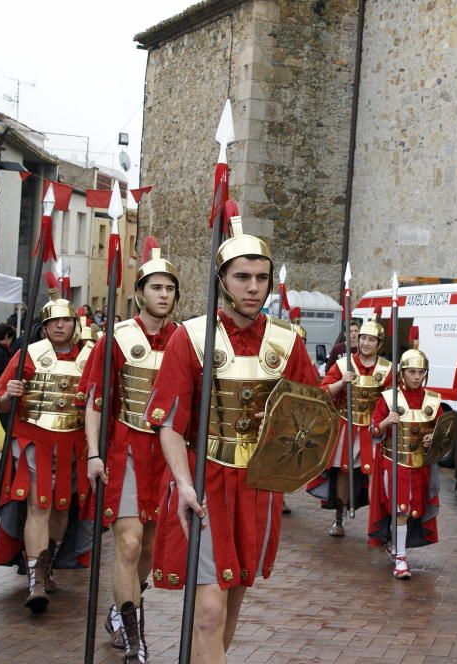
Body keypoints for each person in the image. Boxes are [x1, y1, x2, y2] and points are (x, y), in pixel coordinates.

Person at [146, 219, 319, 663]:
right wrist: (184, 484)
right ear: (222, 280)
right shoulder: (191, 337)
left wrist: (285, 423)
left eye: (261, 277)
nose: (253, 287)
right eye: (242, 276)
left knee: (233, 598)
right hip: (206, 479)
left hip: (259, 484)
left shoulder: (287, 340)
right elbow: (168, 422)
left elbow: (314, 416)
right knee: (207, 611)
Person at [80, 248, 179, 661]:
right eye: (156, 287)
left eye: (170, 288)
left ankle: (120, 611)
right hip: (127, 450)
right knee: (129, 544)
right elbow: (96, 402)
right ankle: (135, 638)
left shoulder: (184, 340)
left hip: (168, 454)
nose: (163, 294)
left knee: (151, 552)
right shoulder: (116, 338)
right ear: (140, 292)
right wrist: (93, 453)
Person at [0, 274, 93, 613]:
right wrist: (10, 394)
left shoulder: (90, 357)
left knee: (61, 507)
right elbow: (0, 400)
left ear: (74, 324)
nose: (60, 326)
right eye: (53, 321)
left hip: (74, 445)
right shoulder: (29, 355)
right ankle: (35, 578)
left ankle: (48, 564)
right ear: (45, 327)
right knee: (40, 504)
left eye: (65, 319)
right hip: (36, 439)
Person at [307, 307, 391, 536]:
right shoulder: (344, 364)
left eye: (371, 339)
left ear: (379, 343)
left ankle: (377, 523)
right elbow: (324, 392)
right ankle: (339, 516)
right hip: (347, 424)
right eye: (363, 337)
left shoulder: (387, 369)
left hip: (374, 429)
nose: (365, 343)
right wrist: (341, 384)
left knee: (376, 474)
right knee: (343, 471)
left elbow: (393, 399)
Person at [368, 330, 442, 579]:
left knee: (412, 510)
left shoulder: (433, 400)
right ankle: (401, 558)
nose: (416, 376)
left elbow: (442, 432)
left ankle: (396, 546)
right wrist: (387, 421)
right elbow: (374, 429)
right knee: (400, 508)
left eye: (421, 372)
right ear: (402, 372)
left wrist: (434, 437)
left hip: (420, 464)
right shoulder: (389, 398)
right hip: (394, 462)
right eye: (412, 371)